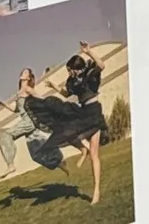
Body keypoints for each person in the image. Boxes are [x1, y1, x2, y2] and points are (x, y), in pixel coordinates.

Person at [23, 48, 107, 204]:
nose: (69, 73)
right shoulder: (73, 81)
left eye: (69, 70)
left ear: (75, 68)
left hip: (94, 113)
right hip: (83, 112)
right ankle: (83, 150)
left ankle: (96, 191)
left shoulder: (89, 73)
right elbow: (66, 94)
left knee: (94, 154)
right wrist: (53, 86)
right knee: (67, 133)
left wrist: (88, 51)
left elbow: (101, 65)